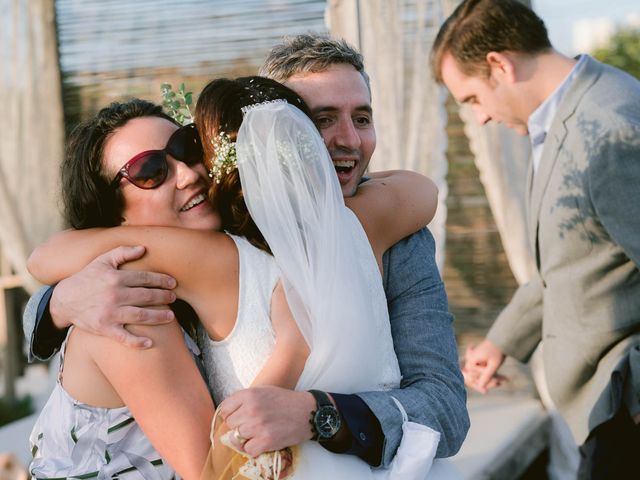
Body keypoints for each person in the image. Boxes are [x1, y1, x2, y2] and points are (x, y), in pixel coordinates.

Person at [23, 35, 468, 467]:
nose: (347, 140)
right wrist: (59, 303)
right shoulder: (136, 291)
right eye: (322, 121)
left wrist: (320, 414)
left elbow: (444, 408)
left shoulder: (387, 227)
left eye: (186, 147)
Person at [430, 0, 640, 478]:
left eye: (471, 99)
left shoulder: (610, 129)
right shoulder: (559, 122)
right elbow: (574, 262)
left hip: (622, 417)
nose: (478, 118)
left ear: (499, 66)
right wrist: (503, 339)